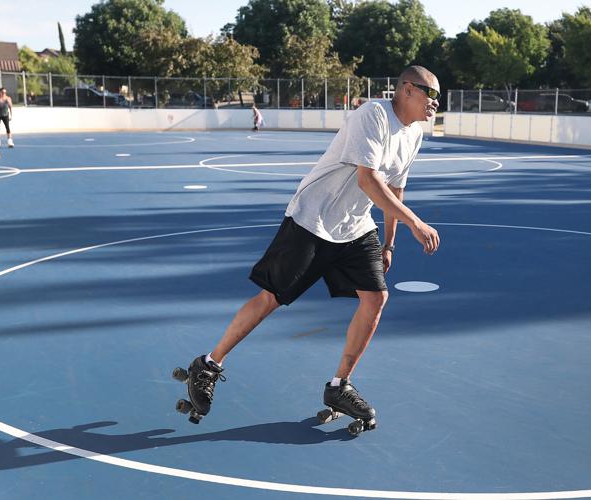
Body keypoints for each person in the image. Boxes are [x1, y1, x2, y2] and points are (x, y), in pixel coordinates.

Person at [176, 66, 442, 425]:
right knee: (271, 298)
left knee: (376, 298)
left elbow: (395, 189)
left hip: (355, 227)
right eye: (431, 93)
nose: (435, 103)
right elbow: (369, 180)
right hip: (312, 218)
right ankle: (207, 365)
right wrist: (415, 221)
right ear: (408, 90)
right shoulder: (374, 115)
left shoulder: (414, 134)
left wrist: (390, 243)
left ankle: (339, 385)